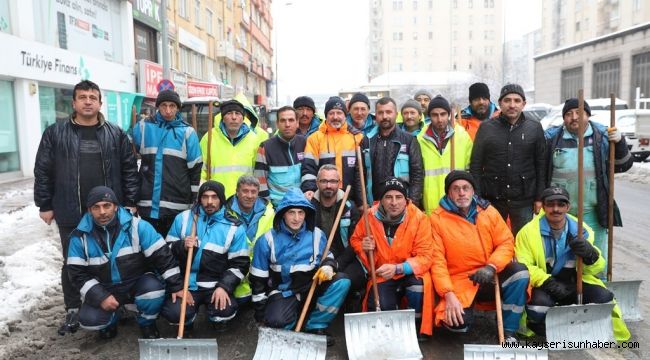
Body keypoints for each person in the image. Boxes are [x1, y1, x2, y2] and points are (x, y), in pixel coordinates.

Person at [34, 80, 139, 335]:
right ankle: (73, 308)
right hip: (70, 210)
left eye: (93, 97)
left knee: (111, 257)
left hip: (108, 212)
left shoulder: (116, 134)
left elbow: (129, 170)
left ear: (101, 102)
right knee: (73, 261)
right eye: (83, 97)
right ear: (74, 103)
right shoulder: (55, 133)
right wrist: (45, 204)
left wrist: (131, 202)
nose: (88, 101)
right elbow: (43, 170)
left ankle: (116, 303)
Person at [66, 186, 184, 339]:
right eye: (96, 207)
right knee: (89, 320)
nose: (102, 212)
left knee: (153, 291)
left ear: (115, 207)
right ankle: (113, 318)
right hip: (105, 287)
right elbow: (76, 274)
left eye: (107, 205)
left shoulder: (138, 227)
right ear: (89, 210)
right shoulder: (79, 237)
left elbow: (162, 256)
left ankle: (146, 323)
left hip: (137, 283)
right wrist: (100, 297)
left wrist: (176, 286)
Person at [515, 187, 630, 341]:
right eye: (550, 204)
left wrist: (591, 255)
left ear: (568, 207)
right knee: (537, 306)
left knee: (604, 299)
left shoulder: (582, 230)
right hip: (544, 285)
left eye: (561, 204)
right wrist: (549, 283)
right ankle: (543, 328)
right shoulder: (528, 232)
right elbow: (524, 265)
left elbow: (596, 268)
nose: (556, 209)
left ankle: (579, 325)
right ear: (543, 206)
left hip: (575, 283)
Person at [429, 171, 530, 343]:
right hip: (460, 280)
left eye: (466, 188)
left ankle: (509, 331)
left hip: (491, 275)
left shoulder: (488, 211)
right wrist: (448, 294)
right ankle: (465, 313)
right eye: (456, 189)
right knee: (458, 324)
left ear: (473, 191)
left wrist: (491, 267)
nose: (462, 193)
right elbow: (437, 261)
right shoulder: (436, 219)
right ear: (448, 193)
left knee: (519, 273)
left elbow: (506, 242)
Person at [544, 99, 634, 279]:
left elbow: (624, 165)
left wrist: (620, 142)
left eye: (579, 113)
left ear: (588, 114)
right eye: (569, 114)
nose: (574, 117)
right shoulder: (552, 138)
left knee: (595, 257)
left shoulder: (602, 136)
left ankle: (597, 294)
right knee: (561, 258)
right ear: (564, 118)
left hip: (592, 212)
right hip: (560, 213)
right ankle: (564, 294)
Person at [250, 188, 351, 346]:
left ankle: (315, 326)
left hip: (312, 287)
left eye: (301, 213)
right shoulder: (267, 240)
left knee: (342, 281)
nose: (296, 218)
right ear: (283, 213)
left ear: (306, 214)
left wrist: (328, 266)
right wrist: (261, 313)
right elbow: (257, 279)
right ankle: (293, 318)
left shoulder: (317, 235)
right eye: (291, 212)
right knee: (276, 322)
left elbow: (328, 256)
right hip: (284, 292)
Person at [350, 178, 435, 338]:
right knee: (382, 309)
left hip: (410, 272)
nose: (394, 202)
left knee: (418, 288)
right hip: (382, 275)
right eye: (388, 197)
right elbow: (355, 239)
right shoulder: (369, 217)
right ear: (381, 200)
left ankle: (414, 328)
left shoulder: (419, 218)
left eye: (399, 197)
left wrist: (398, 268)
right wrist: (363, 246)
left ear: (406, 199)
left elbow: (426, 256)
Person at [161, 181, 249, 333]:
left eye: (214, 197)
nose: (209, 202)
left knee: (224, 309)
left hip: (214, 285)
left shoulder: (234, 227)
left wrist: (224, 287)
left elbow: (240, 264)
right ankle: (187, 322)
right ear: (199, 199)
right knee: (174, 312)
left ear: (221, 199)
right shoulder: (183, 219)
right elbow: (165, 253)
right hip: (186, 283)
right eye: (205, 197)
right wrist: (181, 246)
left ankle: (217, 320)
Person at [470, 83, 546, 236]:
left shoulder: (534, 128)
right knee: (493, 239)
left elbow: (541, 164)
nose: (512, 105)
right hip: (492, 198)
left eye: (517, 101)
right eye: (507, 100)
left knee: (523, 240)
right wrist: (476, 197)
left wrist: (539, 197)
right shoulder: (486, 128)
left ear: (524, 104)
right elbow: (476, 165)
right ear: (499, 103)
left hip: (524, 199)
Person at [133, 89, 203, 237]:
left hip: (177, 206)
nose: (168, 110)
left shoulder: (187, 133)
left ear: (178, 108)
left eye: (172, 106)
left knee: (174, 252)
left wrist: (193, 200)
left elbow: (195, 170)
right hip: (147, 204)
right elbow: (133, 161)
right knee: (150, 252)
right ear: (158, 107)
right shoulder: (143, 127)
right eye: (164, 105)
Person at [310, 165, 364, 296]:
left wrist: (335, 264)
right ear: (317, 183)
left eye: (333, 181)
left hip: (345, 258)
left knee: (347, 278)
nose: (328, 185)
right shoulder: (308, 206)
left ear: (339, 183)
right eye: (324, 181)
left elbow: (354, 243)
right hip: (316, 257)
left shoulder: (349, 207)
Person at [360, 97, 424, 208]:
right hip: (374, 204)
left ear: (396, 114)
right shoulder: (367, 140)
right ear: (376, 115)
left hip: (401, 205)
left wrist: (412, 202)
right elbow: (359, 173)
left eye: (389, 112)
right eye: (380, 112)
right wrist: (361, 202)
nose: (385, 116)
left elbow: (417, 174)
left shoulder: (409, 140)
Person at [301, 96, 364, 203]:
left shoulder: (357, 138)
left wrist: (361, 200)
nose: (335, 117)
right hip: (323, 197)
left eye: (339, 113)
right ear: (326, 116)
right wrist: (309, 189)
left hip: (350, 198)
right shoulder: (315, 138)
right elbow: (309, 168)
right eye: (331, 113)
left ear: (345, 115)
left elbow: (362, 173)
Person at [417, 95, 473, 214]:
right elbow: (417, 173)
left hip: (457, 201)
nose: (439, 119)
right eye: (435, 115)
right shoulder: (420, 139)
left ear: (448, 115)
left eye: (443, 114)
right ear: (429, 116)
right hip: (431, 202)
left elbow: (470, 169)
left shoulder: (462, 136)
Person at [224, 175, 274, 302]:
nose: (250, 196)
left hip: (261, 268)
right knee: (240, 302)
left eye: (253, 192)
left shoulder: (269, 212)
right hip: (234, 269)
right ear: (237, 191)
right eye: (245, 191)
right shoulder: (225, 213)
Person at [200, 99, 260, 197]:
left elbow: (258, 173)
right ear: (223, 118)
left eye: (237, 113)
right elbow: (201, 171)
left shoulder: (254, 140)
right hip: (216, 199)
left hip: (244, 199)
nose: (234, 117)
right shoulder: (209, 138)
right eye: (229, 113)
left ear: (243, 118)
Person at [254, 106, 307, 207]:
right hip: (277, 207)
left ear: (297, 123)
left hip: (302, 206)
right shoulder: (265, 147)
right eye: (283, 120)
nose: (287, 124)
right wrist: (268, 209)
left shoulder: (305, 143)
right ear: (277, 124)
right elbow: (260, 183)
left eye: (291, 120)